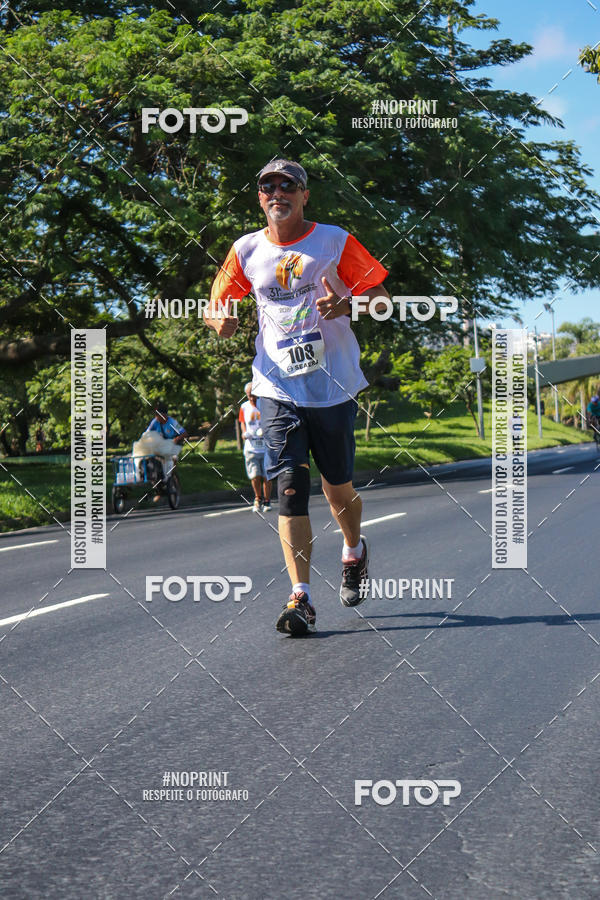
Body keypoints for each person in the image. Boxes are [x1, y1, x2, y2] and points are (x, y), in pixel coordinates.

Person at [204, 158, 391, 636]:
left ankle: (353, 549)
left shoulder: (333, 241)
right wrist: (219, 320)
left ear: (305, 195)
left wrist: (350, 302)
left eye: (289, 185)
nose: (277, 192)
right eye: (268, 185)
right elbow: (217, 304)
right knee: (289, 488)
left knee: (337, 490)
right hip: (275, 387)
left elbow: (384, 299)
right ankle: (301, 596)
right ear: (259, 196)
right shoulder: (245, 250)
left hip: (332, 386)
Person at [135, 401, 188, 492]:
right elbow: (147, 433)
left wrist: (176, 439)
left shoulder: (173, 423)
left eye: (158, 415)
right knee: (152, 459)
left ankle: (171, 479)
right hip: (160, 445)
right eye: (156, 415)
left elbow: (184, 433)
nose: (156, 417)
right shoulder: (155, 422)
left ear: (164, 415)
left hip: (172, 445)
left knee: (172, 460)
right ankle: (158, 479)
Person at [239, 381, 272, 512]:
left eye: (253, 395)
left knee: (266, 475)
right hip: (251, 446)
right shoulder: (244, 407)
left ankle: (267, 500)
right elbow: (242, 422)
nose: (252, 398)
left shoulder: (264, 404)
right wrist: (243, 433)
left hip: (265, 446)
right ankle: (257, 498)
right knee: (255, 475)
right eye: (249, 395)